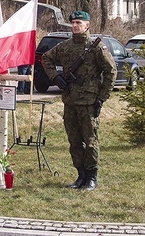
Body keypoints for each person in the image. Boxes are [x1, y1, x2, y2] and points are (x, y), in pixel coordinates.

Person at [42, 11, 117, 191]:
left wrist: (101, 98)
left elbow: (111, 71)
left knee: (90, 141)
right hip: (70, 100)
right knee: (74, 141)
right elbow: (46, 58)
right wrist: (55, 77)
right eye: (73, 23)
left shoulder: (97, 47)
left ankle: (91, 177)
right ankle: (80, 175)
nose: (75, 26)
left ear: (87, 25)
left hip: (89, 102)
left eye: (79, 23)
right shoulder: (65, 46)